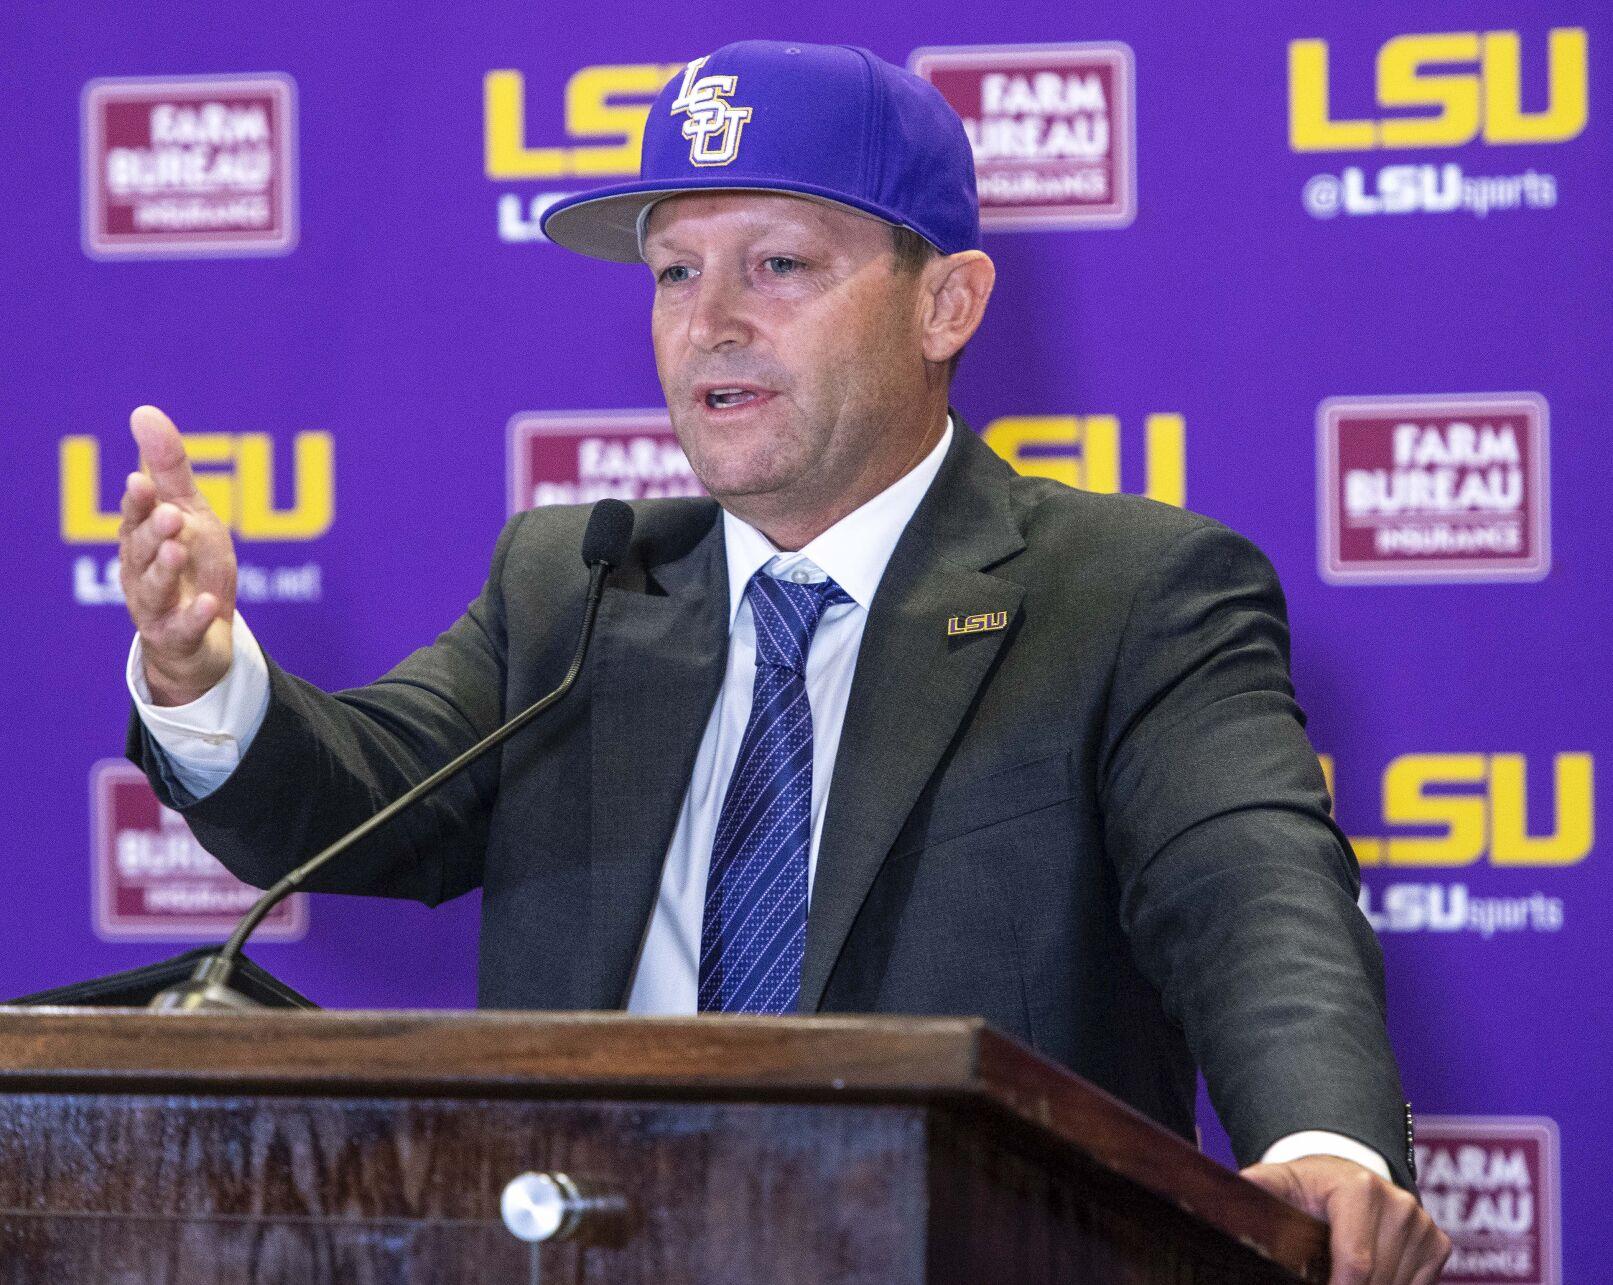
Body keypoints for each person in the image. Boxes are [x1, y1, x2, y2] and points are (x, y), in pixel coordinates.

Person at [118, 40, 1449, 1283]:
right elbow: (353, 798)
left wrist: (1325, 1146)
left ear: (945, 304)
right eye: (674, 273)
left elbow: (1249, 893)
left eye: (779, 266)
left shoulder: (1128, 595)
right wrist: (202, 673)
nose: (709, 323)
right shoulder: (575, 586)